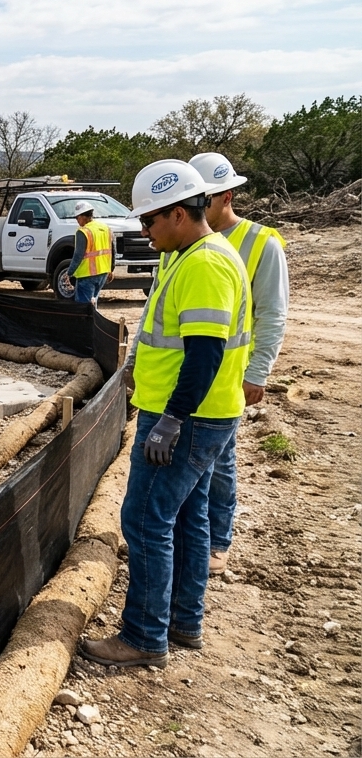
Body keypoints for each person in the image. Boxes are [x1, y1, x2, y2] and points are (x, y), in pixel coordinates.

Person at [79, 159, 252, 667]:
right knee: (189, 518)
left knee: (145, 519)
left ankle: (143, 638)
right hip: (195, 415)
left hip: (189, 419)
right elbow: (163, 330)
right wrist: (136, 369)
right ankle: (182, 622)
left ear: (178, 213)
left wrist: (173, 420)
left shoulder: (204, 264)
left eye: (148, 221)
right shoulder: (185, 254)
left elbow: (204, 354)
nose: (142, 230)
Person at [188, 152, 290, 576]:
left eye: (203, 198)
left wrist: (257, 372)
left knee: (220, 464)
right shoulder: (185, 239)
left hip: (229, 375)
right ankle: (192, 538)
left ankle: (217, 541)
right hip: (189, 372)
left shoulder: (261, 242)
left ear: (226, 195)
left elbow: (273, 313)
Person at [69, 201, 113, 305]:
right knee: (93, 303)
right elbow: (112, 250)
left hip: (87, 275)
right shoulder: (105, 228)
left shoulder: (83, 231)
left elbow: (78, 255)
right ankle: (93, 320)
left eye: (77, 218)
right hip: (103, 273)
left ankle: (86, 321)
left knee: (84, 307)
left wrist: (69, 272)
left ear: (82, 216)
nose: (77, 221)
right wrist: (110, 269)